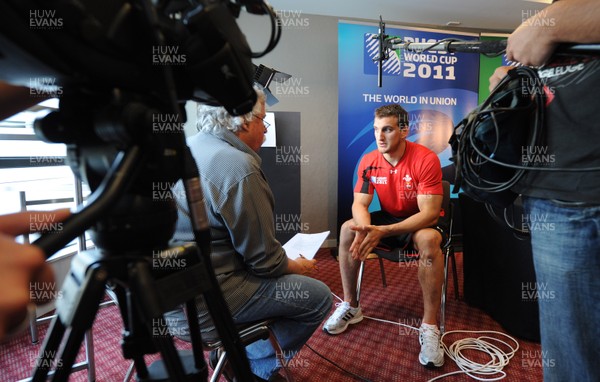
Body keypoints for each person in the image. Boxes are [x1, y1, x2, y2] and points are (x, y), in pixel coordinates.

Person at [166, 86, 332, 381]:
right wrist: (299, 265)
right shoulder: (239, 167)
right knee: (318, 297)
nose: (265, 130)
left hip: (168, 303)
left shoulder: (187, 146)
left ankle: (241, 350)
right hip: (206, 307)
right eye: (263, 122)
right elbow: (265, 263)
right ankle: (254, 366)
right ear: (243, 121)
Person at [488, 1, 600, 381]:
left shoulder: (551, 20)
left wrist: (542, 26)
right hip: (554, 195)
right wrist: (507, 89)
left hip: (582, 194)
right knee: (570, 355)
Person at [323, 104, 446, 368]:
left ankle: (430, 326)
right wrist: (366, 230)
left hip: (417, 219)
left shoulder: (425, 159)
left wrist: (384, 231)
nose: (379, 136)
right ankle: (351, 306)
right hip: (388, 217)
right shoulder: (369, 161)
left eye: (387, 129)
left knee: (429, 240)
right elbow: (359, 204)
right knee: (348, 229)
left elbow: (430, 214)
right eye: (377, 129)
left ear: (404, 130)